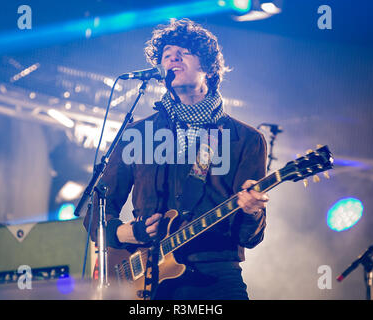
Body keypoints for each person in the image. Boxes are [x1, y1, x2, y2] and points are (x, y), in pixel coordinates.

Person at [84, 18, 269, 300]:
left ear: (207, 66)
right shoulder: (139, 133)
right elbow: (97, 208)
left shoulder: (246, 139)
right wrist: (124, 233)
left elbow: (250, 238)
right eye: (167, 55)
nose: (172, 58)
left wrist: (252, 211)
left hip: (215, 275)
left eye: (183, 52)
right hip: (146, 280)